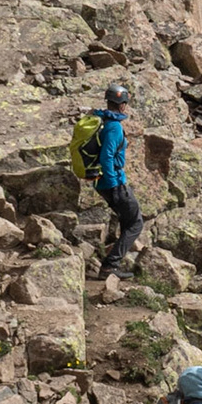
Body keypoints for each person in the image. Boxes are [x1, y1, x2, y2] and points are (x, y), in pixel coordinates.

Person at [92, 82, 142, 278]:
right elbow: (106, 156)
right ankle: (109, 266)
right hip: (113, 182)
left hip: (102, 181)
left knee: (127, 219)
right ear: (122, 105)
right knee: (136, 224)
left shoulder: (103, 121)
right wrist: (114, 185)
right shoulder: (114, 127)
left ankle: (115, 263)